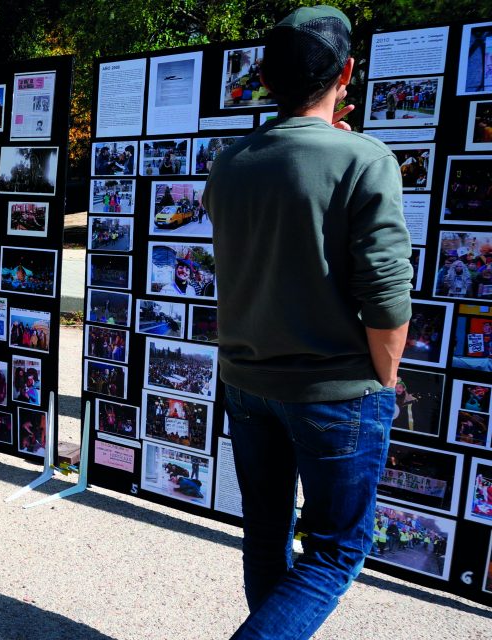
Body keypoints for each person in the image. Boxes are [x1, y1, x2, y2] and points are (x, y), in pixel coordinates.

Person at [203, 7, 412, 639]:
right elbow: (386, 296)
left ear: (265, 79)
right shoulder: (365, 159)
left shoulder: (230, 162)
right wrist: (385, 379)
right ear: (346, 73)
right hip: (335, 389)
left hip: (247, 382)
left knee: (267, 535)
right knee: (336, 552)